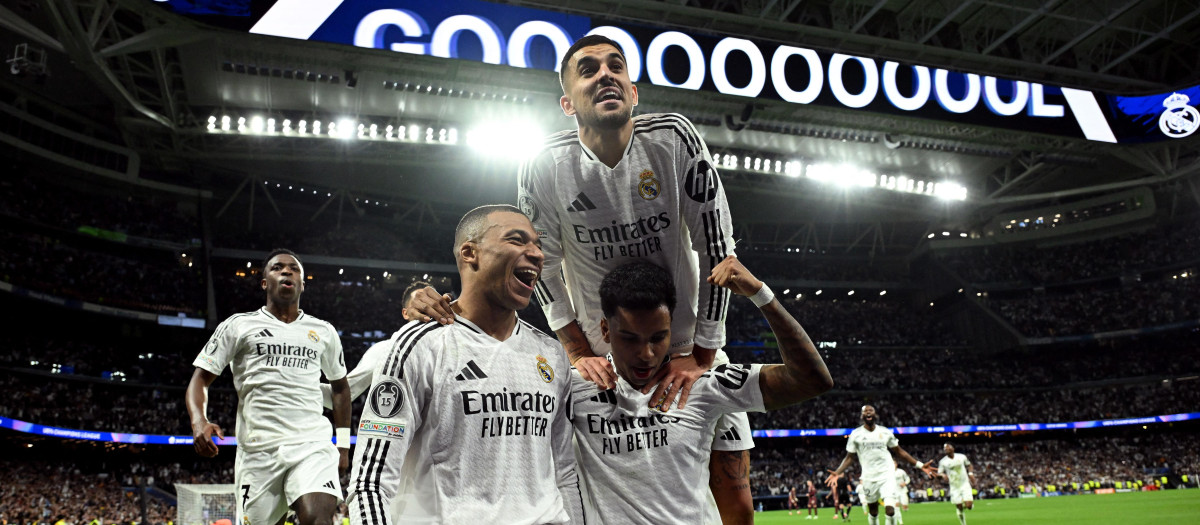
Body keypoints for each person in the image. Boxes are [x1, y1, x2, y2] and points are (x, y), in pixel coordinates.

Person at [346, 205, 582, 524]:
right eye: (517, 240)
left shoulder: (551, 353)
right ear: (470, 252)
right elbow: (370, 485)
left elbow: (565, 472)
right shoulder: (418, 345)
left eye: (538, 245)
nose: (537, 254)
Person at [568, 257, 833, 524]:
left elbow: (811, 380)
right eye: (629, 338)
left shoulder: (702, 383)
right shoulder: (573, 387)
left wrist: (761, 294)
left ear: (671, 329)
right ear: (605, 329)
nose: (646, 354)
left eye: (658, 337)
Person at [186, 249, 351, 525]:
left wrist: (343, 446)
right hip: (258, 452)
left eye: (294, 269)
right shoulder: (239, 325)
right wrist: (198, 421)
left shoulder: (323, 331)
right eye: (277, 268)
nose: (286, 271)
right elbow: (200, 379)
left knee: (317, 518)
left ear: (302, 284)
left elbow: (341, 388)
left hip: (312, 445)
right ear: (265, 283)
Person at [320, 281, 431, 408]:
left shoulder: (453, 348)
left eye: (431, 301)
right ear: (405, 313)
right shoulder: (384, 350)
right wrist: (296, 383)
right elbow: (340, 396)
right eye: (419, 302)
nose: (426, 307)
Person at [825, 406, 934, 525]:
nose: (868, 412)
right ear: (862, 416)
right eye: (865, 411)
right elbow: (849, 457)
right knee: (873, 511)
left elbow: (899, 451)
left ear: (875, 414)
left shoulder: (885, 432)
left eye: (870, 410)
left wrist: (920, 465)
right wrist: (837, 472)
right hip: (868, 477)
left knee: (890, 510)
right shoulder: (856, 434)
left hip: (887, 475)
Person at [936, 442, 976, 525]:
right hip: (954, 486)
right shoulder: (943, 462)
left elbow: (969, 465)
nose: (946, 449)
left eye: (947, 447)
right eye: (945, 448)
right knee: (959, 507)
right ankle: (963, 523)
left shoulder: (961, 457)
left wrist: (971, 473)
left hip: (964, 484)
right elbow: (939, 474)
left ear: (953, 448)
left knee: (969, 506)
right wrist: (943, 475)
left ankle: (968, 505)